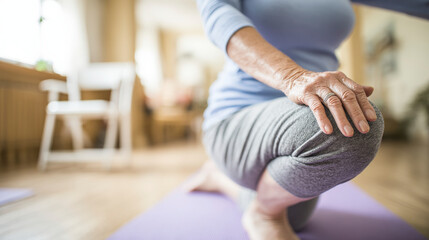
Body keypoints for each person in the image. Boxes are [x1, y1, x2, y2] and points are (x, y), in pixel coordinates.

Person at [185, 1, 429, 239]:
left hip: (300, 118)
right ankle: (263, 215)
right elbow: (218, 17)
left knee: (293, 216)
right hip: (239, 118)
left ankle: (216, 177)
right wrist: (292, 77)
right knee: (349, 129)